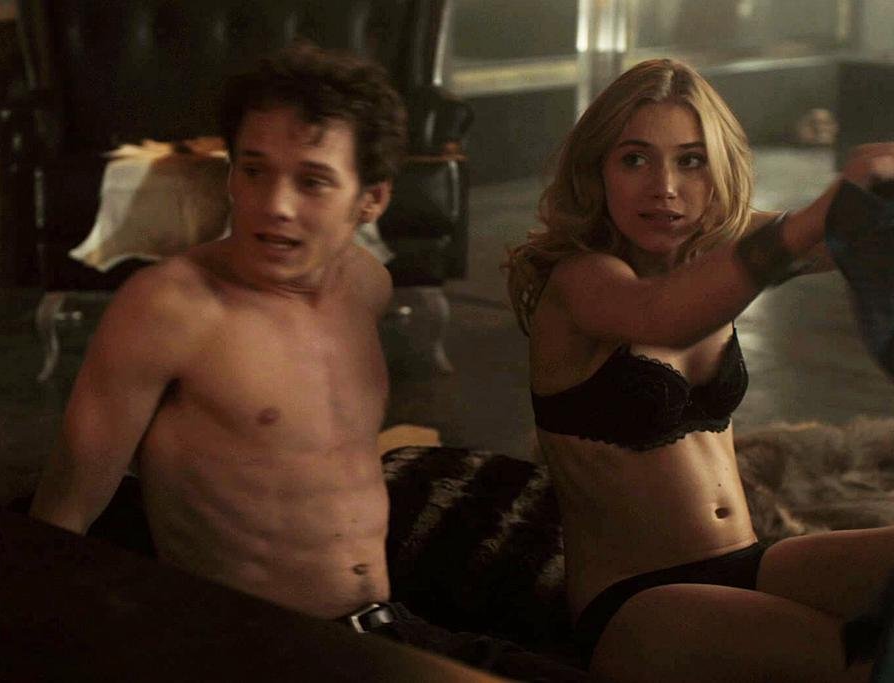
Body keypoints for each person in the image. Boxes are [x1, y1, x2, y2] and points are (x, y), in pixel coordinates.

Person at [30, 44, 584, 681]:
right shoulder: (170, 309)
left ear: (371, 198)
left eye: (313, 181)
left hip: (383, 627)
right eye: (254, 170)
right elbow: (63, 514)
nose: (275, 204)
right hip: (265, 651)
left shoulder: (366, 285)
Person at [504, 58, 894, 682]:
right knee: (885, 662)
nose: (665, 187)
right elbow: (661, 315)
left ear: (719, 169)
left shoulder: (718, 250)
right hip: (641, 607)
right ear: (597, 170)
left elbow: (856, 237)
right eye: (635, 159)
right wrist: (820, 212)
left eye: (692, 161)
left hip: (749, 564)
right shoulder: (580, 281)